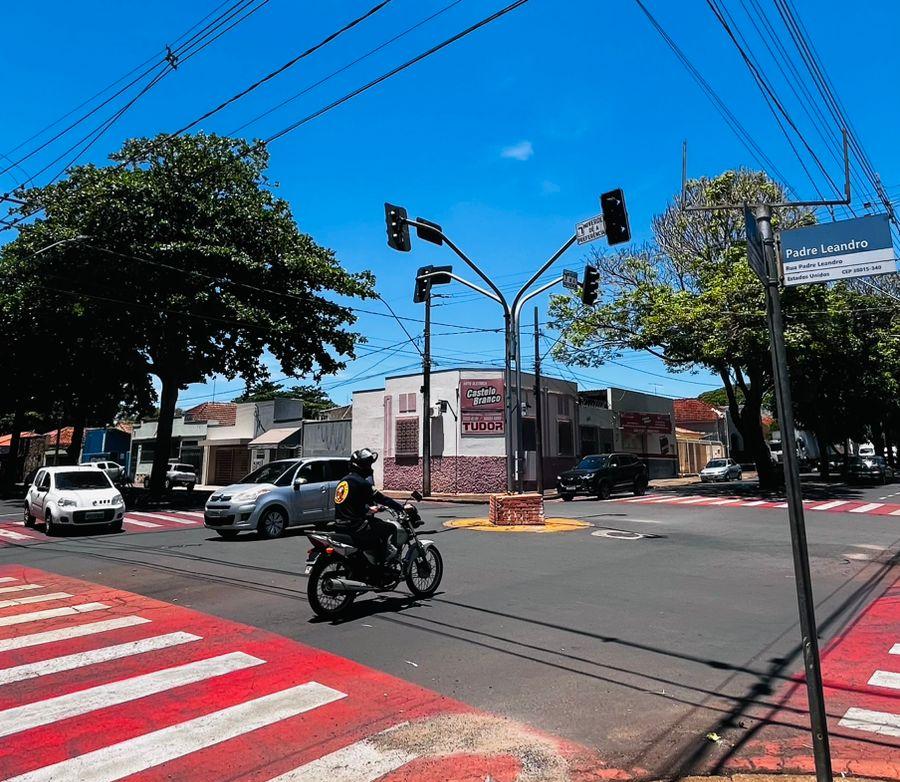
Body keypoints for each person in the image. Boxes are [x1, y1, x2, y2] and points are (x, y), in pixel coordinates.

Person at [334, 448, 405, 562]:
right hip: (356, 526)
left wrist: (367, 509)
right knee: (390, 528)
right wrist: (401, 507)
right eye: (367, 464)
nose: (370, 468)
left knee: (376, 524)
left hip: (339, 525)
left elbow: (351, 504)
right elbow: (382, 499)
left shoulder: (343, 481)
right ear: (362, 466)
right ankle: (381, 563)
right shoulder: (361, 483)